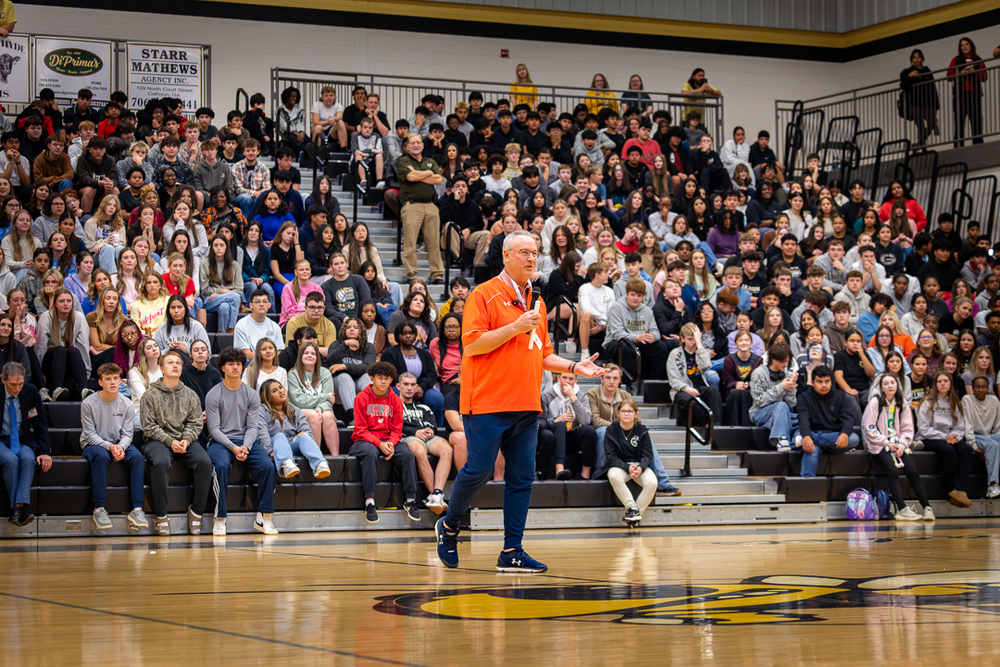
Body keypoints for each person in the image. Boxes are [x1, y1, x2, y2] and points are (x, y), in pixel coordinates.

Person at [434, 230, 605, 573]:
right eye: (525, 252)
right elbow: (474, 346)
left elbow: (542, 354)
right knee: (479, 470)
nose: (532, 259)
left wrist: (575, 366)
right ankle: (449, 525)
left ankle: (512, 550)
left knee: (522, 477)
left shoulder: (537, 302)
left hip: (526, 405)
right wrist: (515, 326)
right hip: (486, 402)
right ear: (507, 255)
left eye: (535, 253)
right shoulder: (483, 294)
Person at [141, 350, 214, 536]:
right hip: (157, 440)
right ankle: (162, 516)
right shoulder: (149, 395)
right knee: (161, 463)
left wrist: (186, 439)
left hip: (184, 439)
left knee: (205, 463)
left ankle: (196, 512)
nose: (175, 365)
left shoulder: (190, 394)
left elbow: (196, 423)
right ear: (161, 368)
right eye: (170, 362)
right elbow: (148, 427)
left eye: (178, 363)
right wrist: (170, 441)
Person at [206, 347, 276, 536]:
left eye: (239, 364)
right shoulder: (213, 394)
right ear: (223, 368)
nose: (235, 368)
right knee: (220, 465)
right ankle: (219, 518)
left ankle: (264, 517)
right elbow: (213, 429)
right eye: (231, 364)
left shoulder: (251, 394)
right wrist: (234, 447)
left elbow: (253, 427)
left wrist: (245, 446)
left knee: (268, 467)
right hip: (221, 442)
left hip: (246, 441)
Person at [350, 361, 421, 524]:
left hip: (388, 440)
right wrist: (379, 444)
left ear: (391, 380)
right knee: (370, 453)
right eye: (380, 378)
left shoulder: (395, 400)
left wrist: (390, 443)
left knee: (407, 455)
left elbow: (397, 429)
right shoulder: (361, 398)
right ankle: (369, 502)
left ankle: (410, 500)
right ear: (372, 379)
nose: (383, 381)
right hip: (364, 439)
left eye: (387, 378)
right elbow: (360, 429)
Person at [81, 362, 148, 532]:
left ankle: (137, 510)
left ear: (121, 381)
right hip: (94, 444)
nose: (112, 382)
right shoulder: (88, 403)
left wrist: (120, 447)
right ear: (100, 382)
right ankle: (99, 509)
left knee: (137, 457)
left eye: (116, 378)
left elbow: (127, 434)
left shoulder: (126, 403)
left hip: (118, 443)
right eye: (108, 379)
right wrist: (110, 447)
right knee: (101, 456)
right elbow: (89, 435)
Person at [863, 373, 934, 522]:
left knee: (912, 471)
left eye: (892, 383)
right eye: (886, 383)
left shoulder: (902, 403)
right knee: (893, 470)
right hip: (879, 444)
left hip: (897, 444)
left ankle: (927, 507)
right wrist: (886, 442)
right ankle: (901, 509)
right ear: (881, 387)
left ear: (897, 386)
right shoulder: (875, 402)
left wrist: (901, 445)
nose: (890, 386)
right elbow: (869, 427)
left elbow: (908, 428)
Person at [0, 362, 49, 528]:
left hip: (22, 439)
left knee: (29, 459)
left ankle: (17, 509)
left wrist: (45, 451)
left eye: (20, 384)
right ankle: (18, 509)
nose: (17, 389)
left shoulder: (30, 391)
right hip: (1, 440)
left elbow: (40, 423)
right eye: (13, 384)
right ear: (3, 380)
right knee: (10, 461)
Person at [916, 371, 975, 509]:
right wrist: (945, 437)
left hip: (949, 437)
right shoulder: (926, 402)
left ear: (950, 384)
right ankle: (951, 490)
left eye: (946, 381)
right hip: (929, 437)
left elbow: (960, 426)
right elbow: (923, 429)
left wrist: (954, 436)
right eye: (940, 381)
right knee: (949, 452)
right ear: (935, 384)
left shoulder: (955, 402)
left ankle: (961, 492)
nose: (943, 384)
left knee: (966, 450)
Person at [397, 371, 451, 513]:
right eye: (406, 384)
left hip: (427, 437)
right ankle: (433, 494)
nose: (409, 388)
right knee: (420, 451)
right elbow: (395, 425)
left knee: (447, 449)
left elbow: (433, 424)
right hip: (408, 437)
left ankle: (437, 494)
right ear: (398, 386)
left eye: (413, 385)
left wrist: (432, 431)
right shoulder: (394, 406)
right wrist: (415, 432)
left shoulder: (424, 407)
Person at [599, 398, 657, 526]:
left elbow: (648, 454)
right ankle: (632, 508)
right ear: (618, 413)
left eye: (630, 411)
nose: (626, 414)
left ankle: (635, 514)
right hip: (620, 465)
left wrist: (641, 467)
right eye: (623, 411)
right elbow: (611, 457)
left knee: (652, 483)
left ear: (635, 414)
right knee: (613, 476)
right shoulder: (611, 431)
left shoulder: (642, 430)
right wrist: (627, 467)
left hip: (639, 466)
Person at [793, 365, 860, 477]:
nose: (824, 385)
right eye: (820, 382)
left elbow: (848, 418)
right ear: (812, 382)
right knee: (811, 451)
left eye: (827, 381)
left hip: (835, 438)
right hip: (819, 437)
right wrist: (806, 436)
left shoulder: (841, 396)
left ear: (831, 382)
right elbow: (803, 418)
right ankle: (807, 487)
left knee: (854, 438)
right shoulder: (804, 397)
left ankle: (814, 438)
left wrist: (844, 433)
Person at [398, 134, 444, 284]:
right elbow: (410, 178)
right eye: (413, 143)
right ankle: (411, 274)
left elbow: (439, 179)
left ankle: (437, 274)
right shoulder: (403, 161)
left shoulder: (430, 162)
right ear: (408, 146)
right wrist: (428, 173)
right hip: (412, 205)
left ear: (423, 146)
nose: (416, 145)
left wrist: (419, 174)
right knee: (410, 241)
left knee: (433, 242)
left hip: (431, 206)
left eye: (419, 142)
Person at [605, 279, 668, 387]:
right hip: (616, 343)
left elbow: (655, 331)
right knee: (625, 347)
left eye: (639, 295)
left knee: (661, 347)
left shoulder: (648, 311)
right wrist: (637, 337)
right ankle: (629, 383)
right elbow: (617, 334)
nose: (635, 298)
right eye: (632, 294)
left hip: (640, 342)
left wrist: (652, 336)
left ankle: (651, 383)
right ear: (626, 294)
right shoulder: (616, 308)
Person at [539, 371, 598, 480]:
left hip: (572, 434)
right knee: (560, 425)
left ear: (576, 380)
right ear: (558, 378)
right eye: (564, 378)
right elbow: (542, 421)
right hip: (553, 435)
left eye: (571, 379)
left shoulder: (581, 396)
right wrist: (556, 420)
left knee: (589, 431)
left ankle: (585, 474)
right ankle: (559, 470)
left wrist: (573, 398)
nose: (567, 381)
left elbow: (586, 421)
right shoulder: (547, 395)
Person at [382, 322, 444, 425]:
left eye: (411, 333)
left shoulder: (424, 354)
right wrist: (407, 387)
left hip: (421, 388)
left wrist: (421, 387)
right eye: (404, 334)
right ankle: (400, 428)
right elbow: (388, 375)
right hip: (397, 388)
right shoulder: (389, 353)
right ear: (398, 336)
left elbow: (432, 374)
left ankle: (436, 428)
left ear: (415, 335)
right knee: (395, 398)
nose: (408, 336)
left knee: (437, 399)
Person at [35, 288, 90, 401]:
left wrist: (87, 372)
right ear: (55, 303)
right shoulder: (46, 317)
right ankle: (57, 390)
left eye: (68, 301)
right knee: (60, 350)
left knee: (73, 350)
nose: (65, 304)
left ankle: (84, 390)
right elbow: (41, 346)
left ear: (72, 303)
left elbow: (83, 346)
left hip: (70, 362)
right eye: (61, 301)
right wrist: (39, 373)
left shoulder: (79, 317)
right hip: (51, 363)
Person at [667, 322, 723, 428]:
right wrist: (686, 388)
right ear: (682, 339)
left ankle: (717, 425)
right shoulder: (675, 354)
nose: (693, 342)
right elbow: (674, 380)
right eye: (690, 339)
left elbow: (707, 364)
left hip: (700, 387)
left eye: (695, 339)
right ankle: (708, 423)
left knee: (714, 391)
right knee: (689, 399)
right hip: (681, 391)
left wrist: (699, 344)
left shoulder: (701, 352)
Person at [749, 342, 798, 450]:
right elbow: (759, 401)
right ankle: (782, 438)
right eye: (782, 361)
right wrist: (781, 387)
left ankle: (796, 441)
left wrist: (791, 389)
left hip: (780, 413)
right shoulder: (758, 373)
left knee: (804, 418)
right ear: (772, 359)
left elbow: (791, 404)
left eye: (787, 361)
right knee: (781, 405)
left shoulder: (785, 373)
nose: (786, 364)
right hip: (759, 412)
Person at [326, 317, 374, 424]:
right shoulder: (336, 344)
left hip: (358, 387)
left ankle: (370, 415)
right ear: (343, 330)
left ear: (361, 331)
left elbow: (367, 367)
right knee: (345, 377)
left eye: (355, 327)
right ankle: (354, 418)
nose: (351, 329)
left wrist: (344, 366)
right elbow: (330, 362)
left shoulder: (368, 347)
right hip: (339, 388)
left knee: (367, 377)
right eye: (348, 327)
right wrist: (345, 345)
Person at [962, 376, 1000, 500]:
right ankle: (992, 484)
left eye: (983, 387)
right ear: (972, 388)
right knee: (992, 445)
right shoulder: (967, 399)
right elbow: (967, 426)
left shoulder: (994, 400)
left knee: (995, 443)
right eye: (977, 387)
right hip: (975, 435)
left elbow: (998, 426)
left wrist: (994, 438)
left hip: (990, 435)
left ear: (988, 388)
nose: (980, 390)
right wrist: (974, 445)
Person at [947, 37, 987, 147]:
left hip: (974, 94)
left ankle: (978, 146)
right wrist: (961, 72)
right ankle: (959, 146)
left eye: (966, 44)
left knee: (976, 122)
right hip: (961, 95)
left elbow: (984, 77)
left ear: (971, 46)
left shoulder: (978, 60)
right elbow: (949, 76)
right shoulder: (956, 60)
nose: (964, 47)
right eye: (962, 45)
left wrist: (975, 72)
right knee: (959, 123)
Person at [200, 235, 242, 334]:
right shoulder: (204, 263)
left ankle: (222, 337)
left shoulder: (235, 265)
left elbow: (239, 290)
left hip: (228, 300)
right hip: (210, 300)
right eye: (215, 245)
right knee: (234, 296)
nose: (218, 248)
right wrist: (222, 291)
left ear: (226, 247)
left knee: (225, 307)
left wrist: (221, 294)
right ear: (211, 247)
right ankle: (232, 328)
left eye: (221, 245)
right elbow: (204, 289)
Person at [153, 294, 209, 363]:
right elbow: (154, 355)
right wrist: (168, 350)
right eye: (173, 307)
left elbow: (207, 354)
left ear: (185, 309)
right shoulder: (162, 328)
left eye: (180, 307)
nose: (176, 311)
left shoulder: (196, 326)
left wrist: (186, 349)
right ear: (168, 311)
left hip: (192, 367)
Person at [722, 330, 761, 426]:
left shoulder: (758, 360)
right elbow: (727, 379)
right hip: (733, 390)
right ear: (735, 344)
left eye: (746, 340)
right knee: (735, 393)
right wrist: (736, 384)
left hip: (751, 389)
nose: (744, 343)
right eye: (740, 340)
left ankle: (747, 427)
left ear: (751, 343)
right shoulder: (729, 359)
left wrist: (749, 384)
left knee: (745, 394)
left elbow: (760, 379)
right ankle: (733, 426)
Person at [234, 288, 283, 360]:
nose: (261, 304)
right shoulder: (241, 325)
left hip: (271, 364)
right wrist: (268, 355)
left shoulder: (275, 326)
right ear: (251, 305)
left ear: (269, 305)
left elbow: (279, 352)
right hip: (251, 365)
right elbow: (246, 354)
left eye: (264, 301)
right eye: (257, 302)